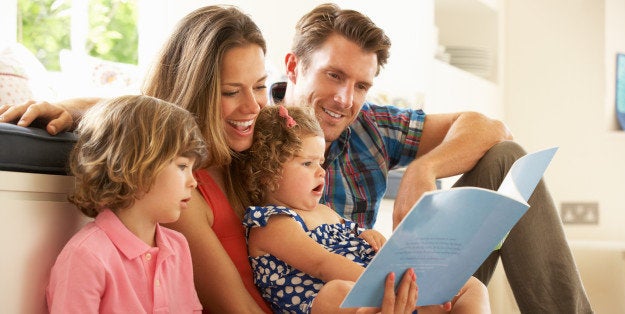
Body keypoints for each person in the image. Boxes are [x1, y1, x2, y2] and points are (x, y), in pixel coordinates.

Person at [1, 5, 420, 314]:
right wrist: (71, 111)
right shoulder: (179, 191)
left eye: (258, 86)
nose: (252, 106)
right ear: (196, 91)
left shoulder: (252, 150)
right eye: (229, 91)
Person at [272, 3, 592, 313]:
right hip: (324, 298)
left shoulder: (369, 126)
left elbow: (492, 128)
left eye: (361, 86)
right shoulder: (253, 134)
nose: (345, 100)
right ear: (293, 66)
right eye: (334, 75)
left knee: (506, 157)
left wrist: (424, 168)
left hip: (392, 288)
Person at [238, 105, 490, 313]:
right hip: (335, 298)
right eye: (307, 163)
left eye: (321, 162)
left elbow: (355, 235)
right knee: (335, 292)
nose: (321, 171)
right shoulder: (271, 223)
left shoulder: (325, 211)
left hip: (375, 286)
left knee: (471, 285)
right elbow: (322, 264)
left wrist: (370, 237)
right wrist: (384, 287)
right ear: (267, 174)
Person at [46, 95, 206, 313]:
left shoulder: (177, 247)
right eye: (182, 166)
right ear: (137, 166)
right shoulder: (85, 256)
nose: (193, 182)